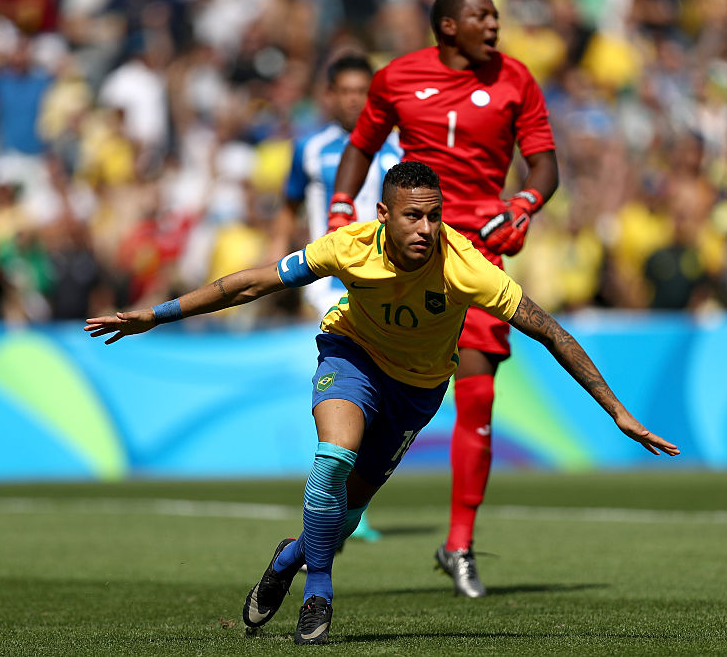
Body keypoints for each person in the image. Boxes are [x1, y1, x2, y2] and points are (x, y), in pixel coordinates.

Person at [85, 161, 679, 645]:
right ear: (383, 216)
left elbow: (548, 329)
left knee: (342, 515)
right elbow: (254, 282)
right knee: (332, 462)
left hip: (417, 389)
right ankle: (319, 592)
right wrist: (158, 316)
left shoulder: (465, 265)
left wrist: (617, 411)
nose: (426, 229)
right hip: (352, 356)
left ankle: (289, 560)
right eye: (414, 217)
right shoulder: (348, 247)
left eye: (435, 216)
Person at [329, 0, 559, 597]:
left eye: (496, 14)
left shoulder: (517, 80)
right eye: (480, 15)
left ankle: (458, 542)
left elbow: (544, 163)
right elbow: (361, 145)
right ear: (447, 26)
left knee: (477, 393)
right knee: (374, 373)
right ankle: (343, 504)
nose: (494, 24)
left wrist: (526, 201)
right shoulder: (397, 78)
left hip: (476, 249)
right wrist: (339, 210)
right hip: (409, 245)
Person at [271, 53, 403, 542]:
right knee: (352, 374)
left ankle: (344, 488)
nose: (354, 100)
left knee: (374, 380)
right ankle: (343, 493)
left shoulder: (397, 149)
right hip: (328, 279)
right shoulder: (309, 148)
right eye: (345, 91)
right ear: (329, 95)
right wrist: (278, 266)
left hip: (383, 278)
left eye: (362, 92)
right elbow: (288, 207)